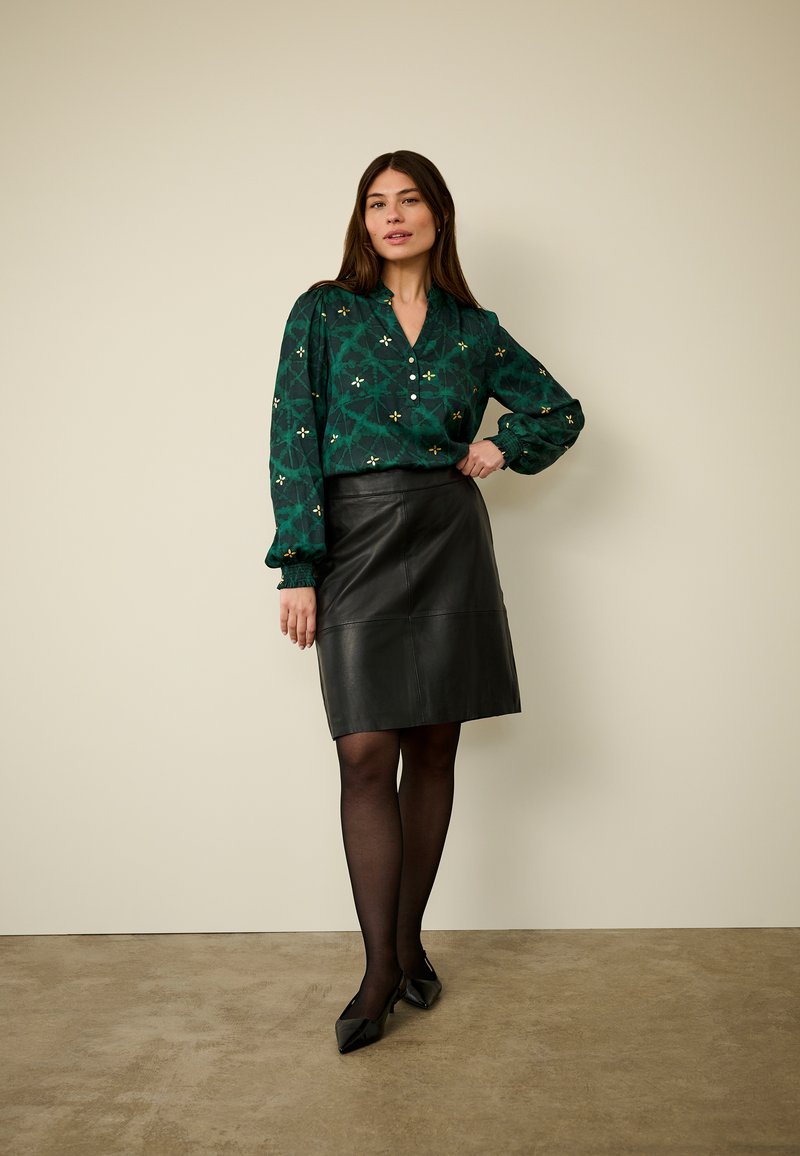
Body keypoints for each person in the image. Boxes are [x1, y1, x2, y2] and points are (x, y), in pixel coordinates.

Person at [265, 150, 584, 1054]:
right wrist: (298, 565)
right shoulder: (323, 311)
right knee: (366, 753)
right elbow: (292, 432)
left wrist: (502, 447)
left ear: (438, 215)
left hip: (448, 539)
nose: (393, 216)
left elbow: (559, 411)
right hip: (356, 540)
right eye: (377, 203)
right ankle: (379, 973)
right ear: (362, 220)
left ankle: (406, 948)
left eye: (409, 201)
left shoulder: (473, 329)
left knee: (434, 746)